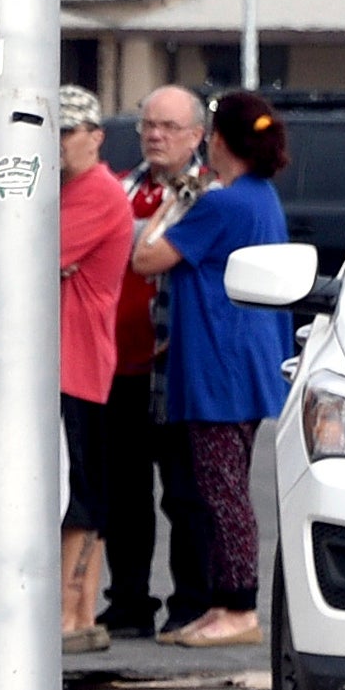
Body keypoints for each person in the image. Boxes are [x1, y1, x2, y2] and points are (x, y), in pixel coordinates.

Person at [131, 87, 291, 649]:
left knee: (222, 493)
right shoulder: (260, 196)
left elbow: (146, 256)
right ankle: (223, 601)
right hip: (246, 357)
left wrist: (175, 205)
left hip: (218, 365)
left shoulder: (221, 203)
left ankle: (240, 607)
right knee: (220, 487)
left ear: (216, 139)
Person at [104, 84, 214, 639]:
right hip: (119, 365)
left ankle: (192, 602)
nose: (155, 135)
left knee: (186, 493)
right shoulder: (119, 189)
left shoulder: (206, 195)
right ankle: (127, 602)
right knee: (124, 494)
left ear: (197, 135)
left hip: (179, 370)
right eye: (149, 124)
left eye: (169, 126)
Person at [53, 88, 134, 651]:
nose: (55, 144)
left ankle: (69, 615)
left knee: (77, 497)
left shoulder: (96, 193)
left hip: (76, 362)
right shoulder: (68, 191)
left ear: (95, 136)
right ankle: (78, 616)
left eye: (65, 132)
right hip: (72, 362)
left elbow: (31, 251)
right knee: (82, 491)